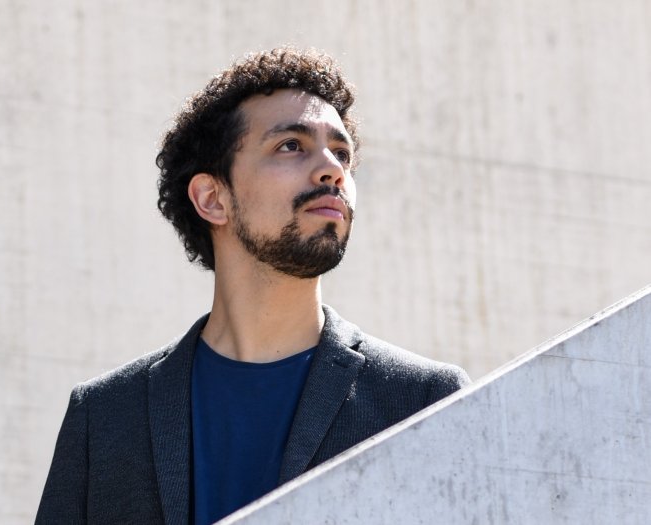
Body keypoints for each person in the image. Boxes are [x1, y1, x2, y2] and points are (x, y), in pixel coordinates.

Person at [36, 46, 470, 525]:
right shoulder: (104, 418)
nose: (332, 169)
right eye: (291, 145)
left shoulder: (423, 401)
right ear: (212, 198)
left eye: (341, 153)